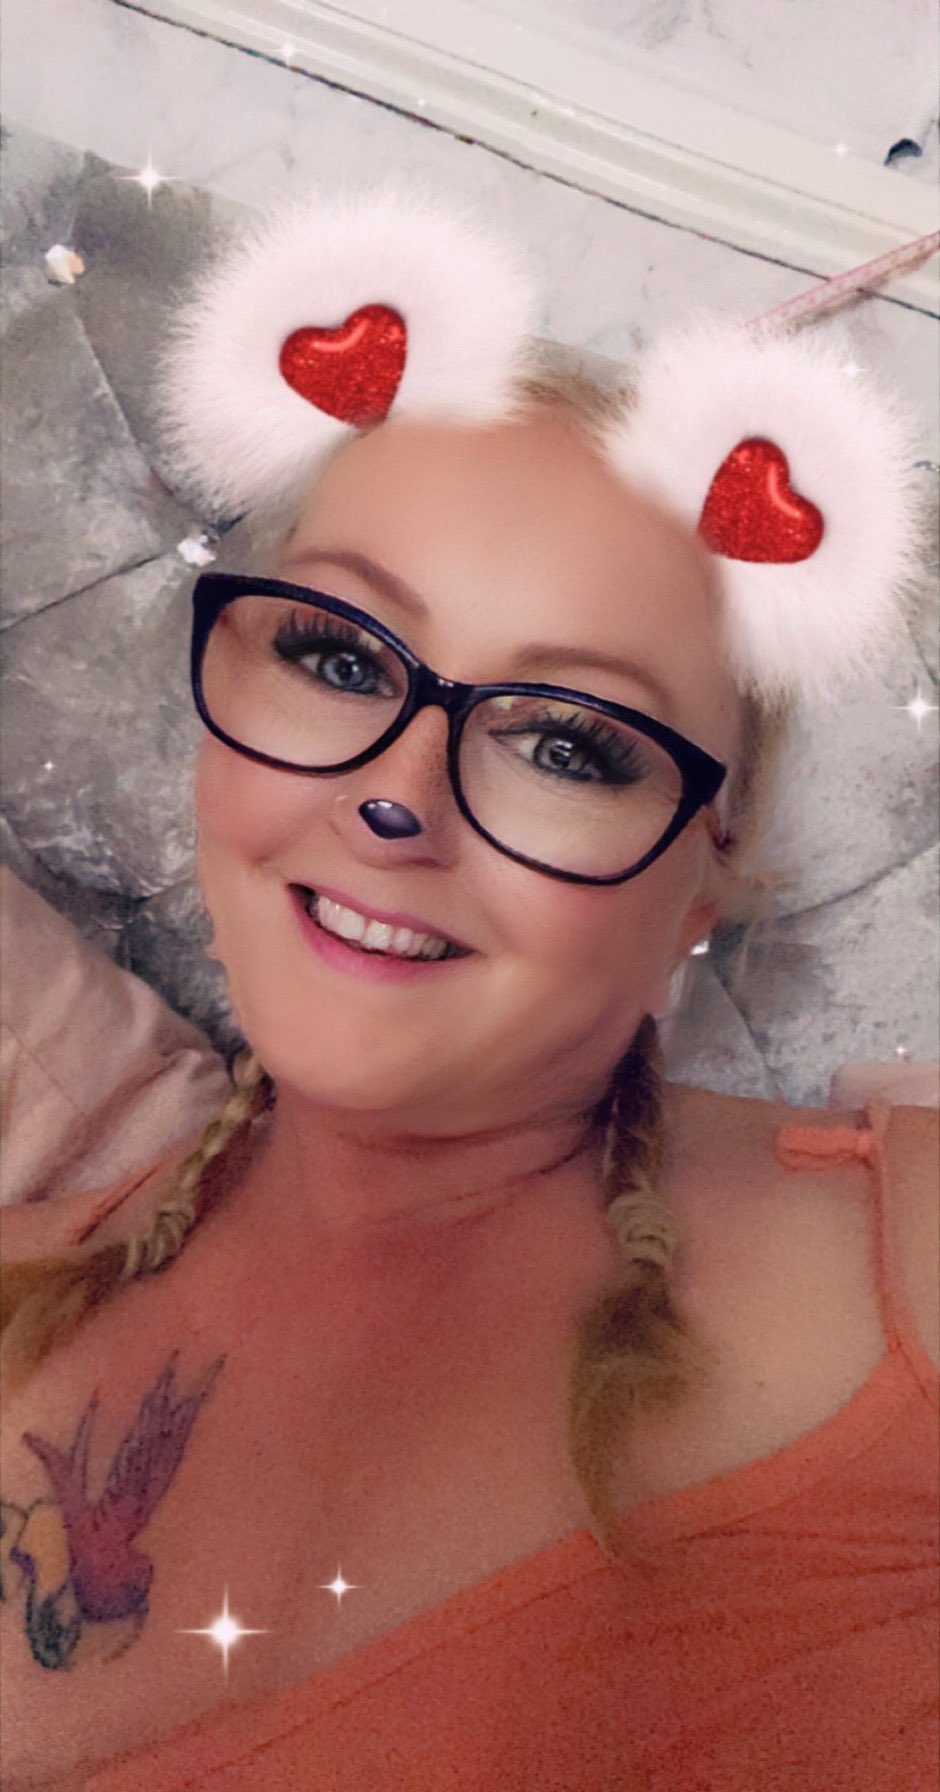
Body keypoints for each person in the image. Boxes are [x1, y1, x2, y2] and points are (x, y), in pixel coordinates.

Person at [0, 185, 936, 1792]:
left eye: (567, 743)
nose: (394, 802)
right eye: (341, 660)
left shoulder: (910, 1260)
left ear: (705, 874)